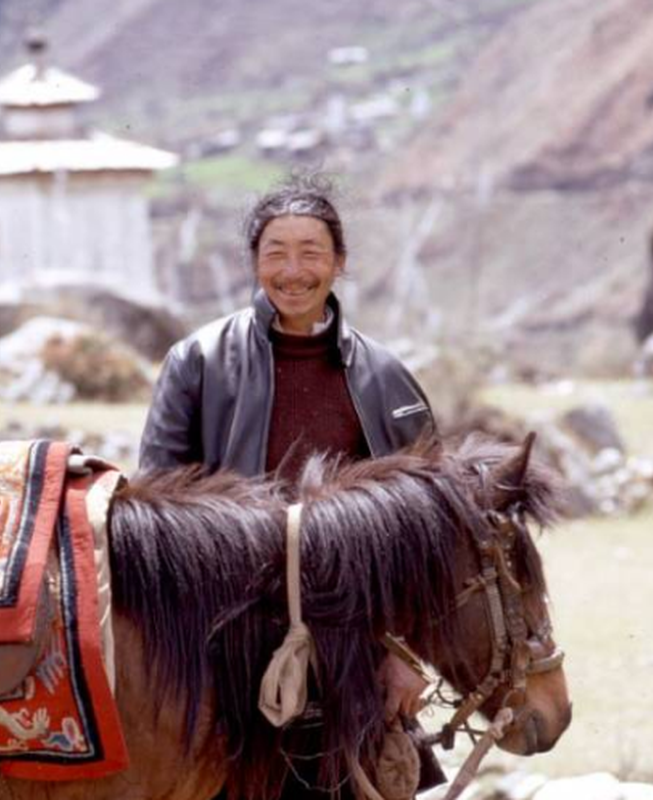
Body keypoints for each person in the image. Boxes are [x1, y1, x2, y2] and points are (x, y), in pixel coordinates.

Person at [139, 178, 441, 797]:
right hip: (224, 638)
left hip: (352, 640)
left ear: (340, 263)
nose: (293, 270)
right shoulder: (197, 362)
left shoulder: (385, 378)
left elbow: (428, 533)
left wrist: (406, 655)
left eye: (311, 252)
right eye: (276, 252)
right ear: (254, 262)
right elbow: (155, 510)